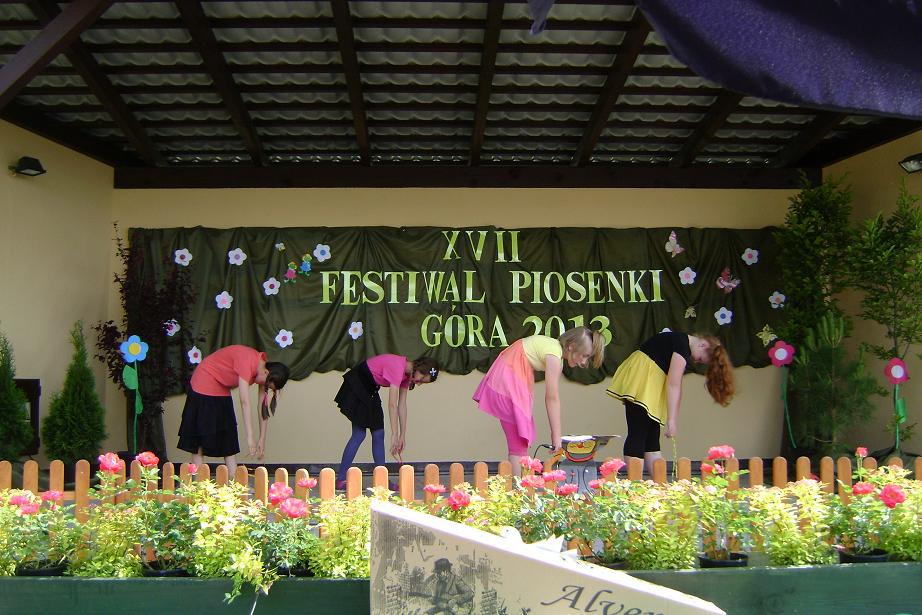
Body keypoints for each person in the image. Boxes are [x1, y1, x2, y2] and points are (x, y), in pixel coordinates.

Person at [473, 327, 606, 477]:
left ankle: (521, 485)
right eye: (585, 355)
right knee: (518, 441)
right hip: (511, 374)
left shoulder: (555, 353)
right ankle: (520, 487)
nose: (584, 361)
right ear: (571, 346)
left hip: (510, 372)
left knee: (519, 441)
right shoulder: (554, 356)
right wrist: (556, 436)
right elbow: (552, 398)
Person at [606, 331, 734, 474]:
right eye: (700, 358)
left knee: (652, 437)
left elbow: (676, 386)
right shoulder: (682, 345)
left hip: (650, 383)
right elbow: (673, 384)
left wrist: (673, 418)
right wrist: (672, 421)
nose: (696, 361)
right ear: (703, 345)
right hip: (643, 381)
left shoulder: (681, 345)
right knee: (638, 432)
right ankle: (635, 481)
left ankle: (658, 482)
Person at [178, 344, 290, 475]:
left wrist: (261, 439)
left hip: (221, 387)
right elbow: (244, 401)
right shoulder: (247, 361)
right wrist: (250, 437)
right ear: (266, 372)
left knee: (228, 436)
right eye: (268, 386)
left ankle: (235, 481)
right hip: (204, 382)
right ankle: (199, 482)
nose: (265, 387)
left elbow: (262, 407)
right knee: (200, 439)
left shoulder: (263, 370)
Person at [335, 354, 439, 489]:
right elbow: (392, 405)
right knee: (359, 434)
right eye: (422, 380)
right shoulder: (398, 367)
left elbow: (402, 405)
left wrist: (402, 435)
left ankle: (382, 480)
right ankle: (341, 479)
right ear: (420, 369)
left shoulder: (407, 376)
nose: (418, 383)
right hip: (357, 385)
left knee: (378, 434)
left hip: (371, 389)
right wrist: (394, 434)